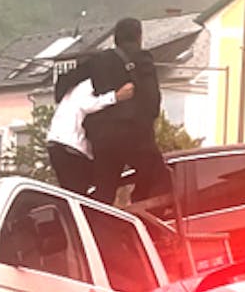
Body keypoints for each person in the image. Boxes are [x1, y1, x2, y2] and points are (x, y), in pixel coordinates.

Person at [53, 17, 171, 205]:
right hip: (135, 137)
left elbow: (66, 79)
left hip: (103, 140)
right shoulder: (143, 59)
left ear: (116, 38)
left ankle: (99, 229)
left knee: (104, 192)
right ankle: (142, 212)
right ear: (139, 37)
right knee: (159, 177)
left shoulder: (98, 60)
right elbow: (152, 100)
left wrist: (61, 97)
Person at [46, 78, 135, 196]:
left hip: (58, 145)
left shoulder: (71, 91)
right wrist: (116, 96)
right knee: (91, 187)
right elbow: (87, 105)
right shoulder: (86, 85)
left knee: (75, 192)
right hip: (71, 146)